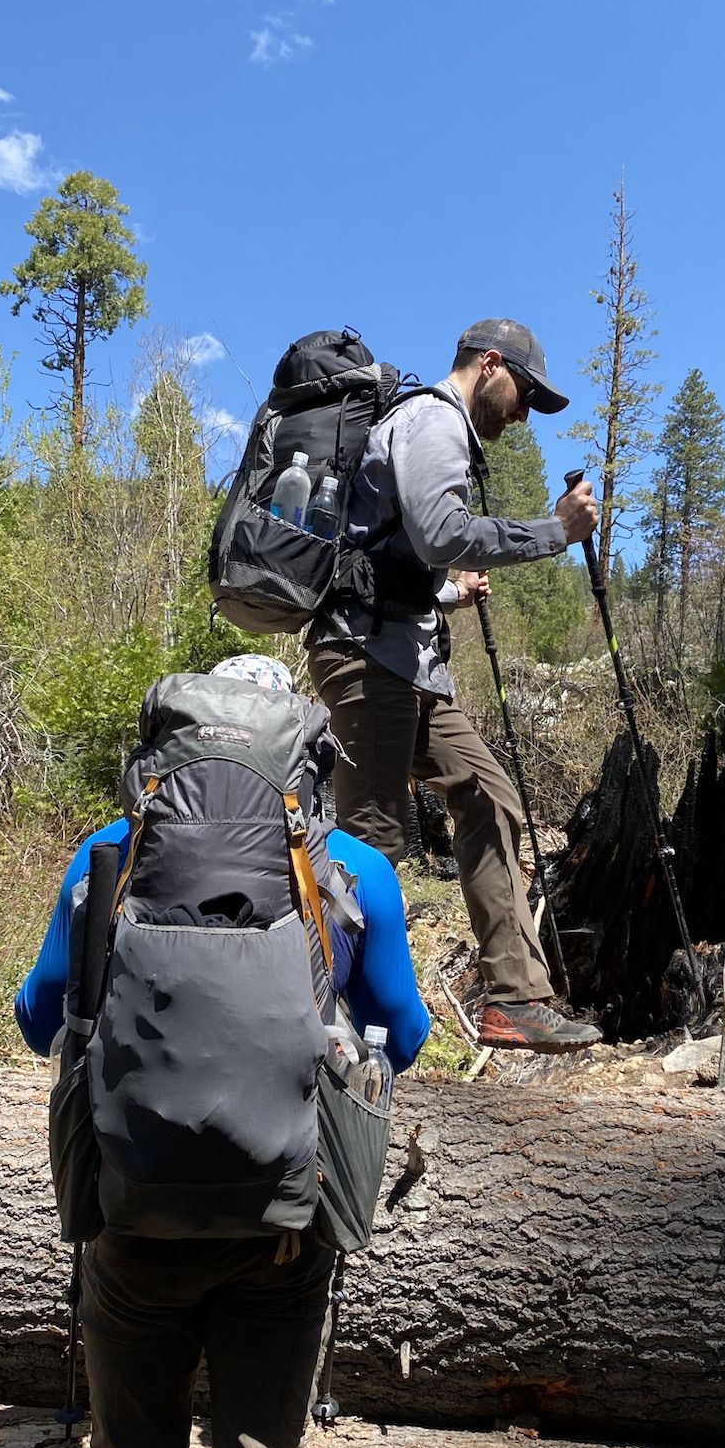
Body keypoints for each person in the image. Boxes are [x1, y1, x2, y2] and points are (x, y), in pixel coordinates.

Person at [15, 652, 428, 1448]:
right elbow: (412, 1031)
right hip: (282, 1225)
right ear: (299, 759)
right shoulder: (352, 869)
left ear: (169, 756)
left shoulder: (108, 855)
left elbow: (34, 1014)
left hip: (132, 1221)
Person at [307, 316, 602, 1053]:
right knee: (368, 846)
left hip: (405, 661)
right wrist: (554, 532)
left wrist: (446, 596)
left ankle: (514, 999)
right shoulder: (433, 421)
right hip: (366, 659)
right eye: (525, 394)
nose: (525, 413)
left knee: (489, 798)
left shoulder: (441, 433)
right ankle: (325, 1021)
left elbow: (389, 557)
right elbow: (441, 533)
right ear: (491, 365)